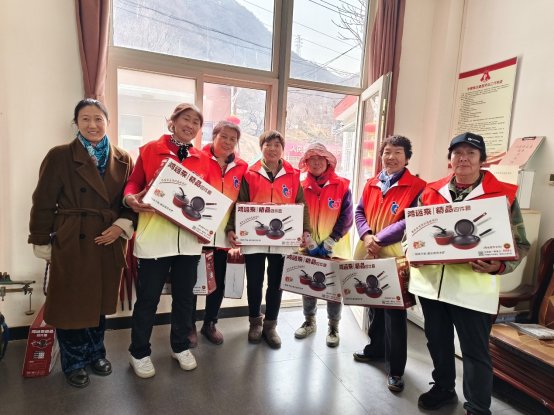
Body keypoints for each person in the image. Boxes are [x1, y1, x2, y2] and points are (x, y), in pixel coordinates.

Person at [409, 132, 529, 415]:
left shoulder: (502, 195)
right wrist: (412, 253)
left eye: (471, 153)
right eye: (458, 153)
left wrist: (500, 266)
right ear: (450, 158)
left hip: (473, 289)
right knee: (438, 342)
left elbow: (520, 243)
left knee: (475, 351)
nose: (463, 158)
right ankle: (443, 388)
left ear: (482, 160)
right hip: (432, 285)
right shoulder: (430, 191)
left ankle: (477, 407)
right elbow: (411, 232)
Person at [28, 99, 136, 388]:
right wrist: (41, 240)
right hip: (72, 238)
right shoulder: (60, 155)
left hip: (108, 240)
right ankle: (74, 361)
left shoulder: (124, 158)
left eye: (98, 119)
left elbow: (131, 201)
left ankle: (95, 353)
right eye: (85, 119)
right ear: (76, 123)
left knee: (99, 302)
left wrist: (121, 226)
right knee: (71, 303)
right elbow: (43, 202)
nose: (92, 125)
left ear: (107, 122)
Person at [124, 103, 211, 378]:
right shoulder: (151, 150)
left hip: (189, 242)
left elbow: (207, 201)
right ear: (172, 121)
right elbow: (134, 183)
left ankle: (180, 345)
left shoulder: (203, 159)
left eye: (196, 122)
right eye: (186, 119)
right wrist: (130, 198)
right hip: (155, 238)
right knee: (148, 299)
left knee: (185, 298)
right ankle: (139, 352)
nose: (190, 125)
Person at [352, 135, 426, 393]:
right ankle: (375, 349)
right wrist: (367, 235)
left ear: (407, 158)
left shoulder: (418, 186)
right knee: (373, 302)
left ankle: (395, 369)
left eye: (397, 152)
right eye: (387, 152)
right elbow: (359, 212)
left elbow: (410, 220)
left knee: (395, 311)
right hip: (369, 249)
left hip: (395, 254)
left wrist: (379, 239)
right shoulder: (372, 182)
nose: (391, 157)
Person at [226, 130, 311, 349]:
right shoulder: (250, 173)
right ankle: (255, 322)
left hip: (284, 240)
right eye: (268, 145)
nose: (272, 149)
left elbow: (301, 205)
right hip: (254, 238)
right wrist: (232, 228)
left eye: (277, 145)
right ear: (261, 147)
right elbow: (240, 203)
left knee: (276, 283)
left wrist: (305, 230)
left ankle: (271, 325)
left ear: (282, 149)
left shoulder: (292, 174)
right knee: (254, 282)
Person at [189, 120, 248, 346]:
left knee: (219, 283)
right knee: (193, 283)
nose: (228, 142)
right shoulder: (197, 158)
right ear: (214, 136)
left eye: (233, 139)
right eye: (224, 137)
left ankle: (210, 323)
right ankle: (189, 326)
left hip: (224, 236)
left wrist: (233, 228)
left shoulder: (242, 167)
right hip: (197, 234)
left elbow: (242, 203)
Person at [293, 143, 353, 347]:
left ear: (328, 161)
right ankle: (309, 321)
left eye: (321, 158)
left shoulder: (342, 185)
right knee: (309, 284)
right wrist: (306, 239)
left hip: (334, 247)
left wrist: (332, 239)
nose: (316, 162)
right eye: (312, 158)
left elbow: (347, 216)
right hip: (307, 245)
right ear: (306, 162)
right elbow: (294, 213)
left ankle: (333, 326)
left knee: (333, 289)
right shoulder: (300, 186)